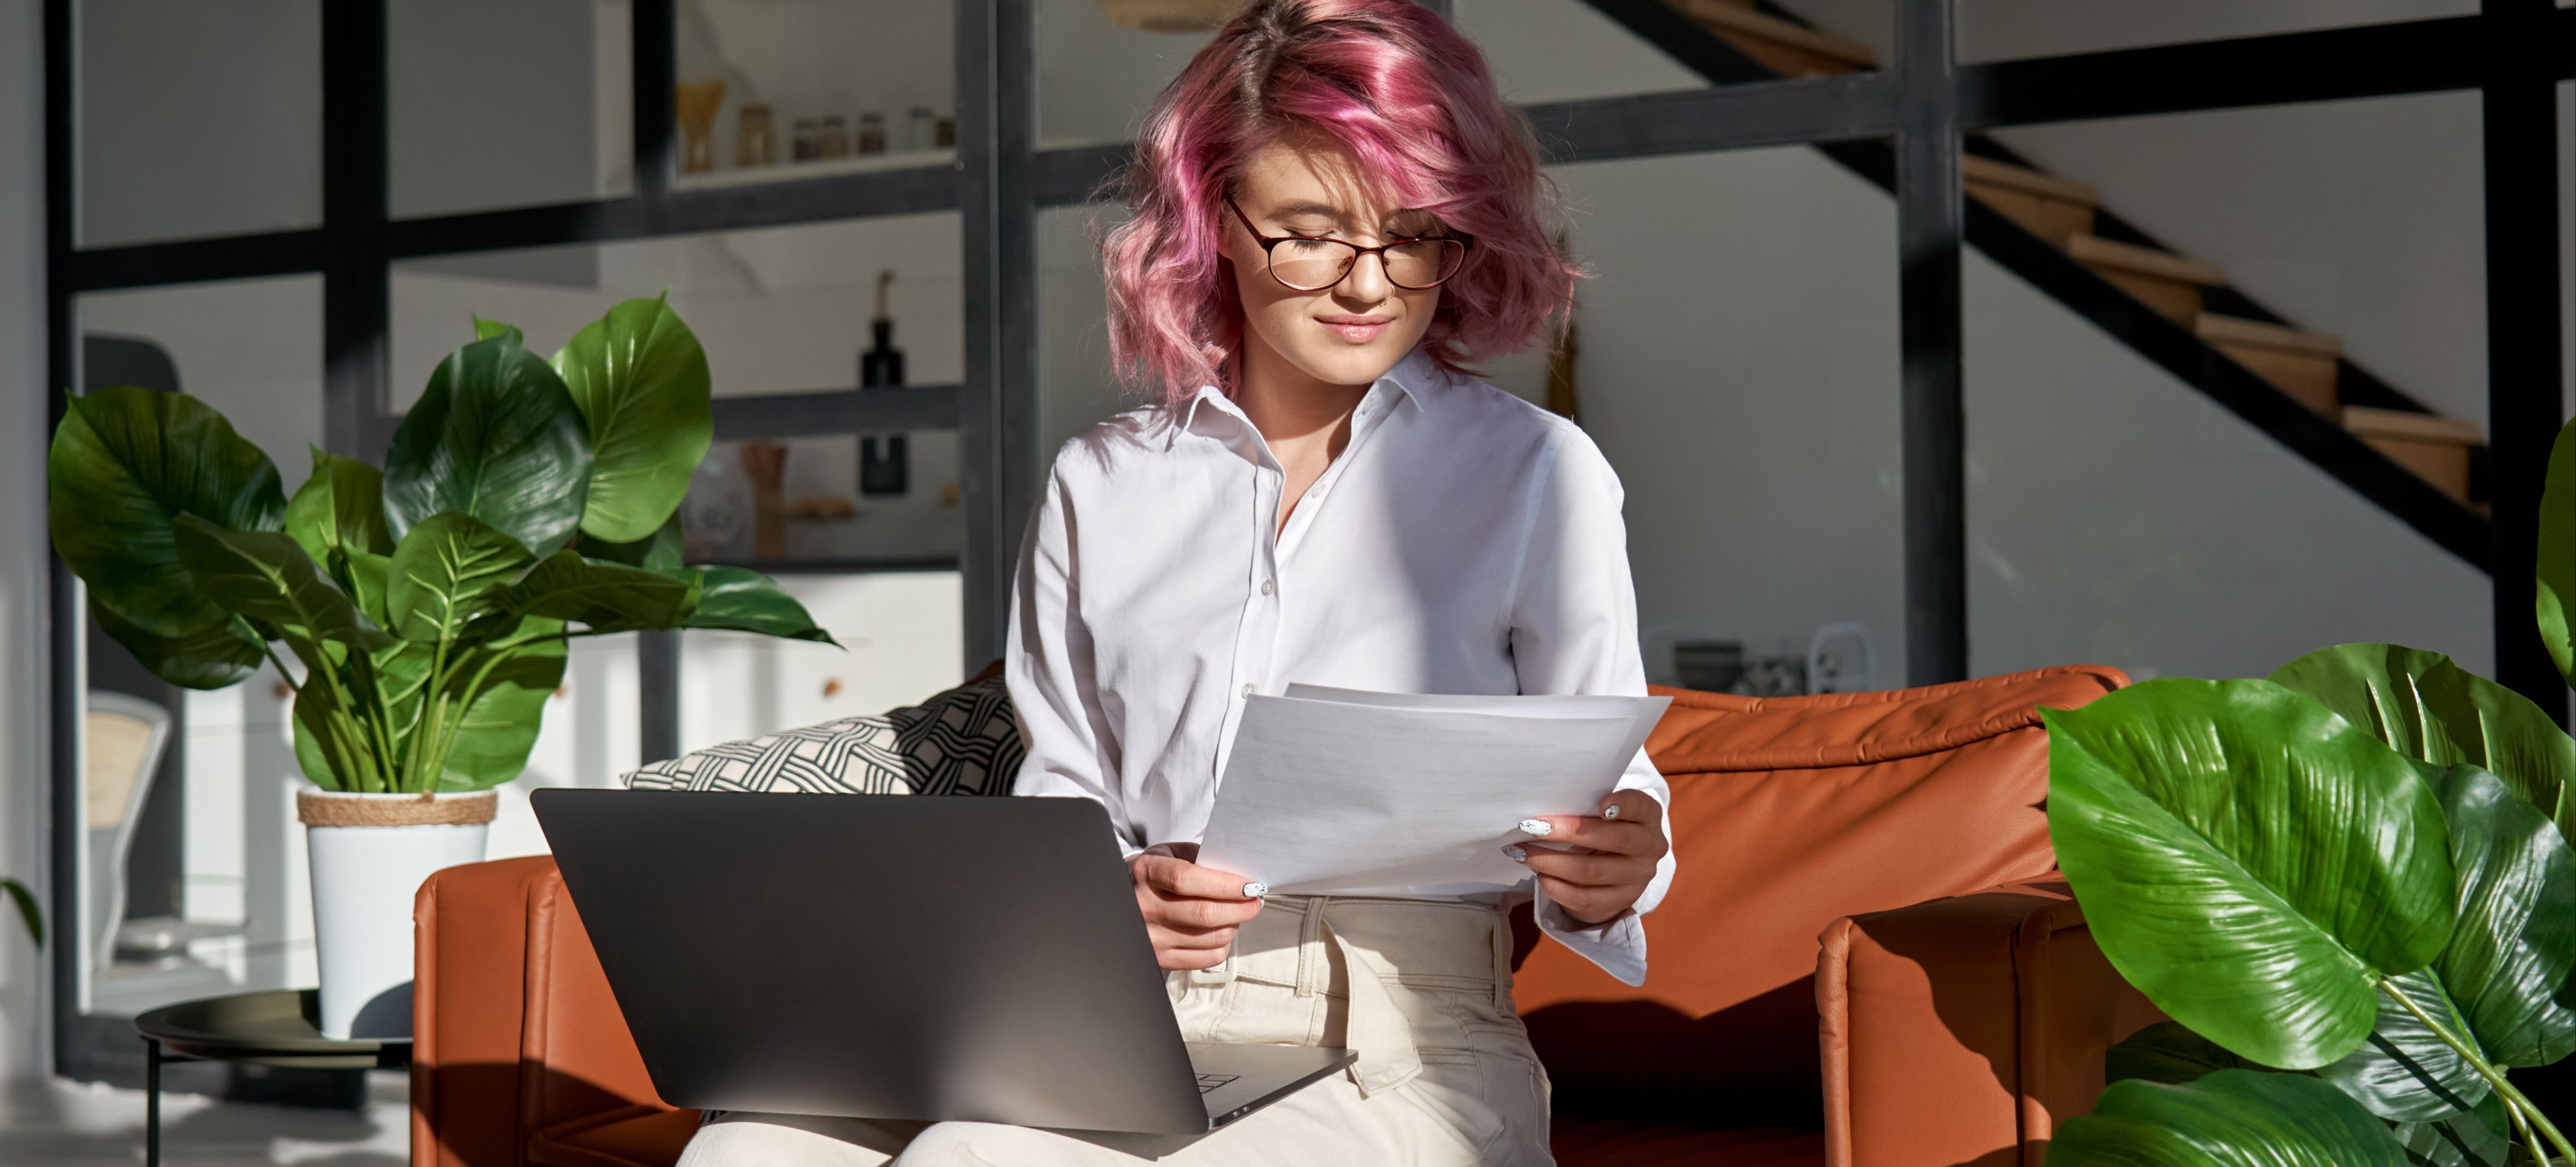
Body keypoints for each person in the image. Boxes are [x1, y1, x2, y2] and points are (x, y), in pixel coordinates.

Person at [679, 2, 1671, 1163]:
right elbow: (1063, 794)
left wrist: (1619, 858)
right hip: (1111, 1002)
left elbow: (1611, 779)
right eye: (1310, 233)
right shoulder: (1102, 484)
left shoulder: (1535, 471)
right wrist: (1117, 892)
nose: (1368, 284)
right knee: (745, 1147)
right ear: (1214, 221)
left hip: (1394, 1037)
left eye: (1411, 236)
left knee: (972, 1159)